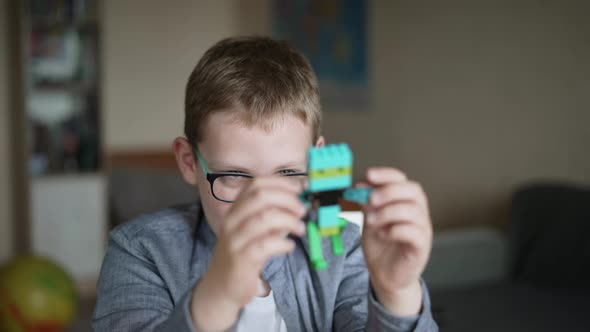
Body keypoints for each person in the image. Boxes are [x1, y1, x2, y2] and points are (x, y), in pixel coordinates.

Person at [92, 36, 438, 331]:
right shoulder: (140, 251)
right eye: (233, 176)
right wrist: (221, 292)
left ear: (315, 165)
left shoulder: (343, 249)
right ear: (188, 162)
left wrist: (397, 293)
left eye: (288, 174)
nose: (261, 203)